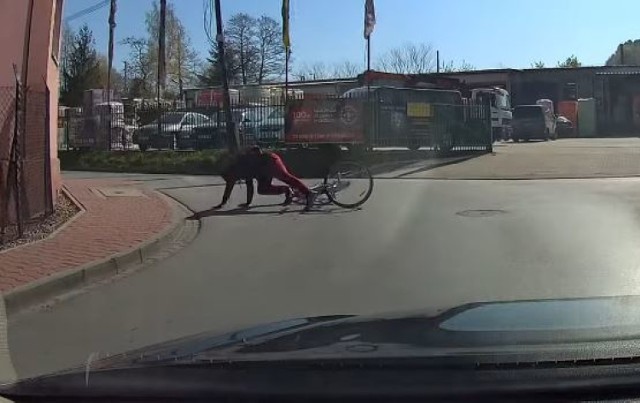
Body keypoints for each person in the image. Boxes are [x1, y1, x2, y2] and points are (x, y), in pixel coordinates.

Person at [213, 146, 314, 210]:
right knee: (262, 189)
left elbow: (248, 186)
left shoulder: (241, 167)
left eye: (226, 178)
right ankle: (286, 190)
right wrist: (223, 203)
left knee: (286, 177)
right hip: (262, 171)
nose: (227, 182)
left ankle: (308, 193)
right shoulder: (236, 171)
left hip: (270, 162)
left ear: (230, 172)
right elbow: (234, 187)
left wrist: (246, 203)